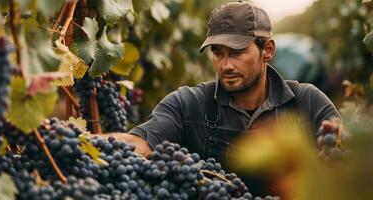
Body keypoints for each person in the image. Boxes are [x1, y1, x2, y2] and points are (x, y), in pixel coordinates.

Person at [94, 1, 340, 196]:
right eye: (218, 53)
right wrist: (83, 142)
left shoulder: (308, 101)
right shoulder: (187, 103)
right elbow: (138, 143)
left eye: (237, 52)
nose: (226, 65)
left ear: (268, 50)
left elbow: (343, 155)